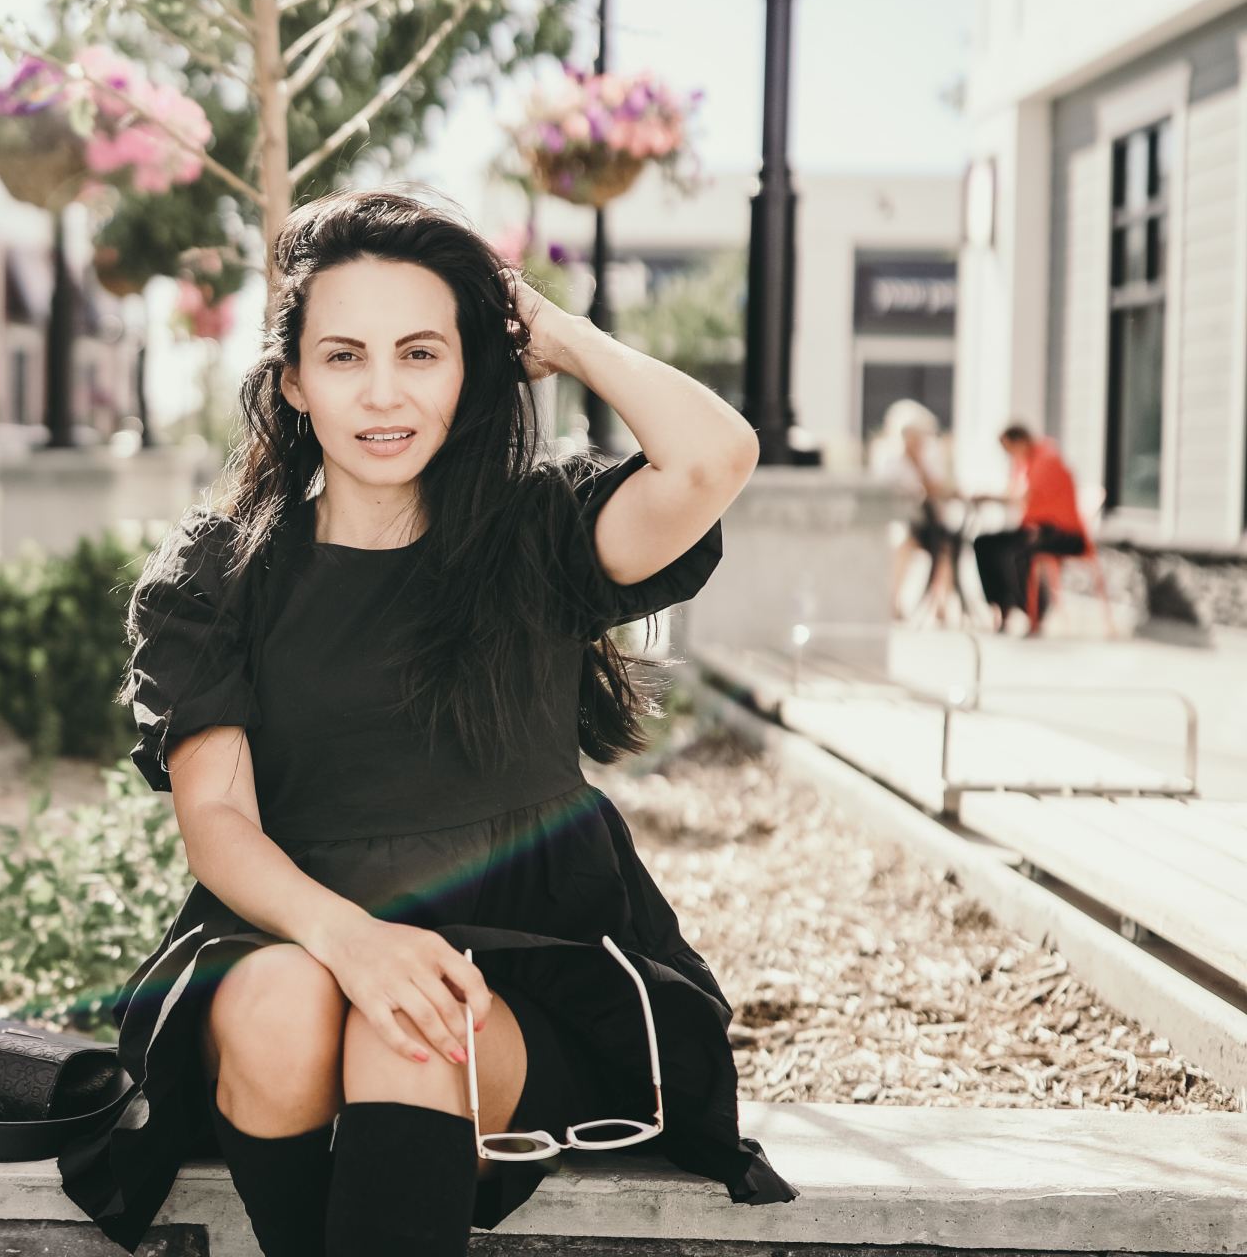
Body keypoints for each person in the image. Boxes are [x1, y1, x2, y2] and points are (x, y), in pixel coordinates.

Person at [57, 187, 799, 1257]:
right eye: (346, 356)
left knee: (414, 1028)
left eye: (421, 352)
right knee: (282, 1008)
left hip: (520, 961)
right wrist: (354, 941)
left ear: (469, 370)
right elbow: (217, 820)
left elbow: (713, 459)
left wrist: (559, 333)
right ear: (297, 383)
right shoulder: (217, 575)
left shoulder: (544, 533)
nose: (384, 391)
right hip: (298, 927)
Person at [969, 423, 1088, 635]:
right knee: (984, 544)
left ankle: (1035, 611)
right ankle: (1001, 607)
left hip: (1063, 533)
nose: (1008, 455)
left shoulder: (1046, 459)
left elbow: (1024, 495)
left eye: (1009, 449)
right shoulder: (1022, 462)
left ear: (1020, 441)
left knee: (1016, 554)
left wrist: (989, 496)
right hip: (1037, 529)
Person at [869, 399, 960, 625]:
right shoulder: (890, 459)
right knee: (902, 543)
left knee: (945, 549)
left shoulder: (930, 457)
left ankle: (941, 605)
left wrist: (919, 465)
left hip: (930, 521)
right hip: (902, 522)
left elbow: (936, 489)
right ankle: (893, 602)